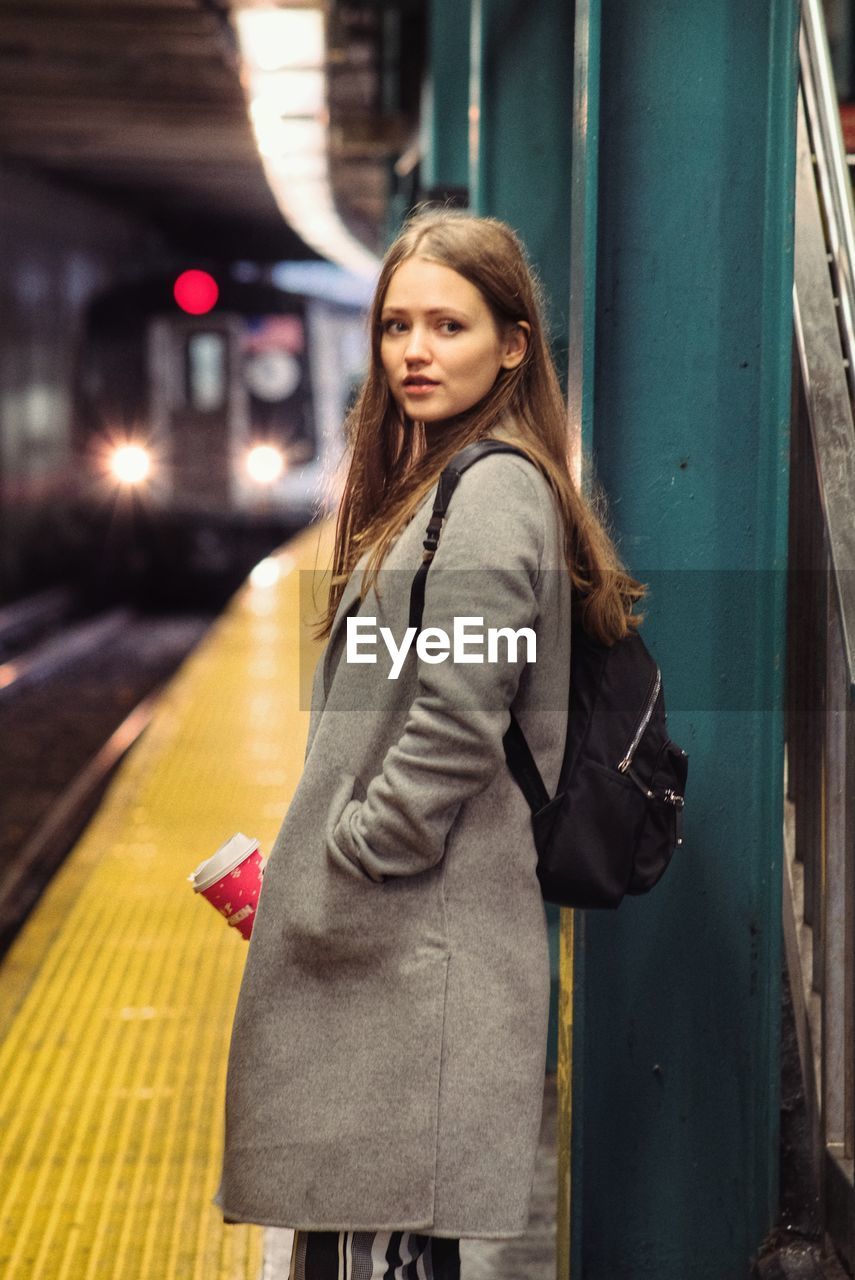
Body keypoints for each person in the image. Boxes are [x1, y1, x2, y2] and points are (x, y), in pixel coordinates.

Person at [217, 208, 643, 1279]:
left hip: (413, 954)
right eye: (397, 325)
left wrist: (361, 848)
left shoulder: (492, 494)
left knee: (377, 1248)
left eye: (447, 326)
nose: (414, 351)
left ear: (512, 343)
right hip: (396, 954)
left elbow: (462, 712)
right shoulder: (440, 482)